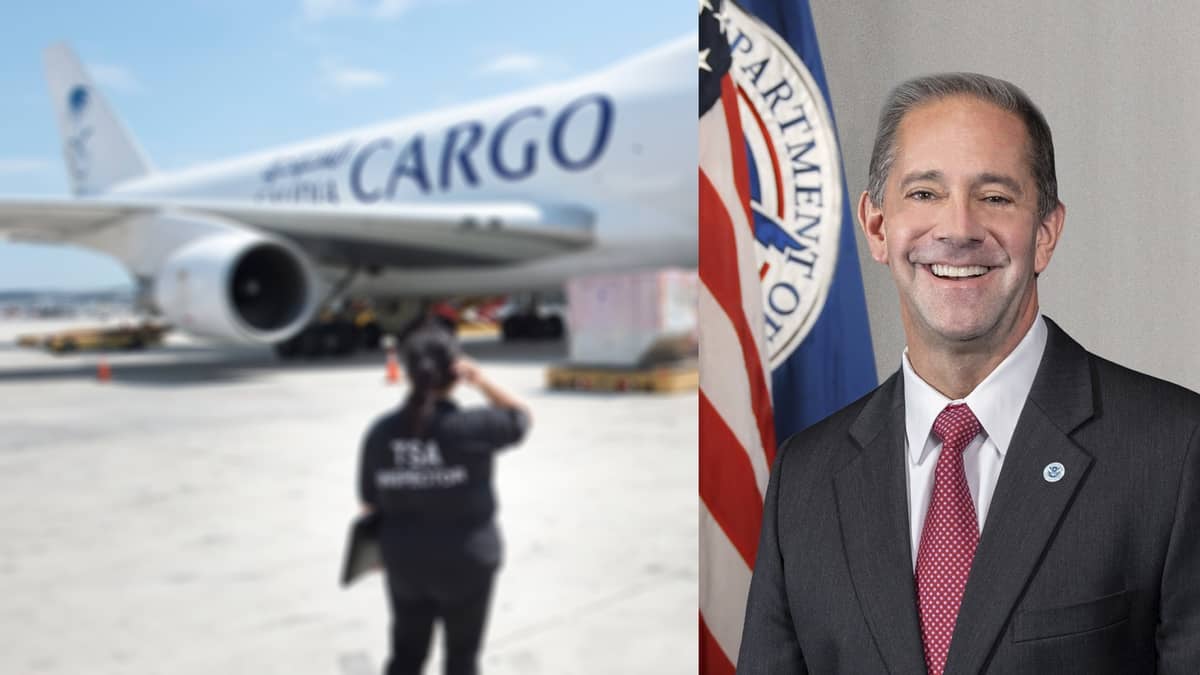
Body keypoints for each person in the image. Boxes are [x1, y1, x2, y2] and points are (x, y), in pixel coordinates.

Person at [736, 73, 1200, 674]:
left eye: (996, 197)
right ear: (878, 228)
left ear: (1046, 233)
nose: (957, 229)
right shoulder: (805, 478)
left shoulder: (1176, 452)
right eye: (925, 194)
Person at [358, 324, 530, 675]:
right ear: (456, 371)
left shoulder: (380, 433)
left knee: (406, 654)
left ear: (407, 373)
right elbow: (521, 416)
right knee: (462, 658)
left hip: (405, 560)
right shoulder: (474, 427)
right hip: (468, 560)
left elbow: (369, 503)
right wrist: (481, 380)